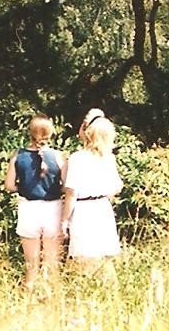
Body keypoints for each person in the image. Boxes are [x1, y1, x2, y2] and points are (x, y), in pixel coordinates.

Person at [3, 114, 66, 289]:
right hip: (53, 209)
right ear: (51, 133)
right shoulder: (59, 157)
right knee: (52, 263)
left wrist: (24, 188)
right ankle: (52, 301)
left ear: (29, 133)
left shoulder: (18, 156)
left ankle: (28, 301)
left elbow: (9, 185)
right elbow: (66, 187)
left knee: (31, 266)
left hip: (28, 210)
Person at [62, 110, 122, 274]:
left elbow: (71, 193)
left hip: (84, 211)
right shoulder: (108, 158)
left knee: (84, 256)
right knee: (105, 258)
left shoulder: (77, 158)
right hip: (103, 208)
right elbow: (117, 187)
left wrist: (64, 221)